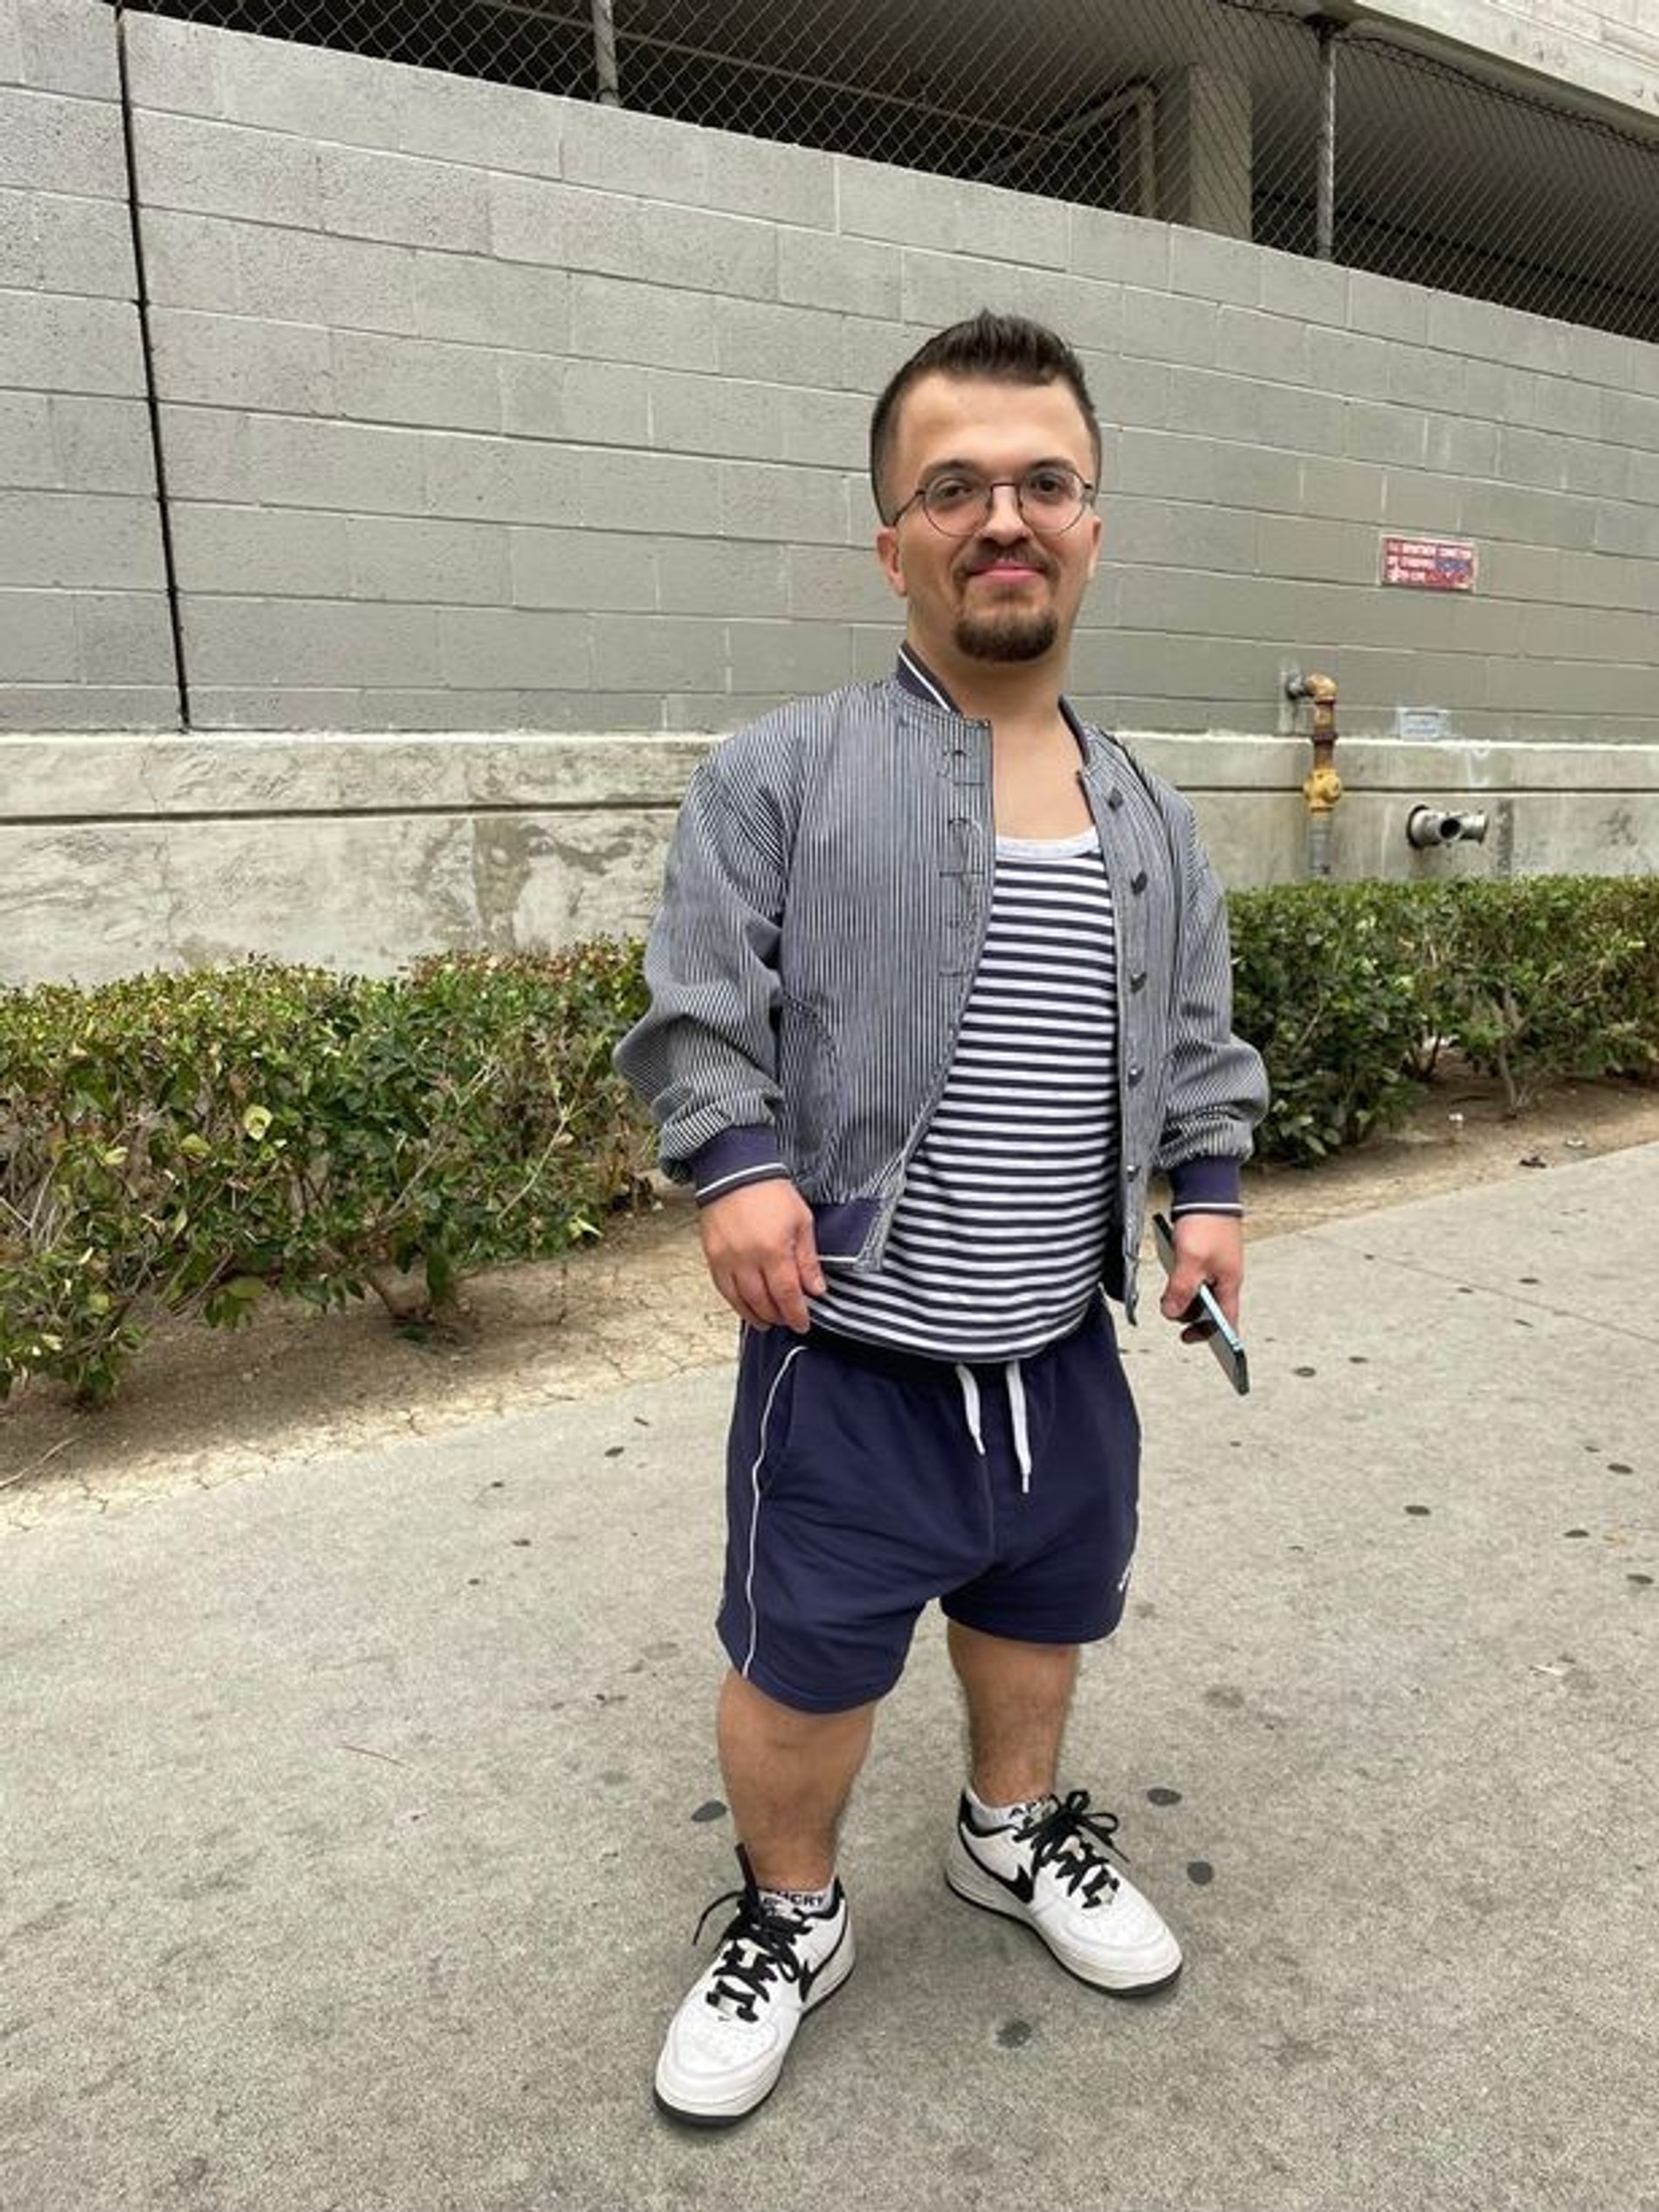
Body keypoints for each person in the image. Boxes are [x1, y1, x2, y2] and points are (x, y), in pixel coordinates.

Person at [615, 310, 1268, 2128]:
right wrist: (736, 1163)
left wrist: (1206, 1196)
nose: (1003, 517)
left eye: (1044, 482)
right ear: (889, 538)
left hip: (1060, 1345)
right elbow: (697, 1010)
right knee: (804, 1662)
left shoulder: (1150, 814)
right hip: (852, 1357)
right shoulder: (778, 775)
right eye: (954, 486)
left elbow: (1194, 1036)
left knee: (1041, 1606)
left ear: (1090, 526)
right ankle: (791, 1912)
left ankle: (1007, 1827)